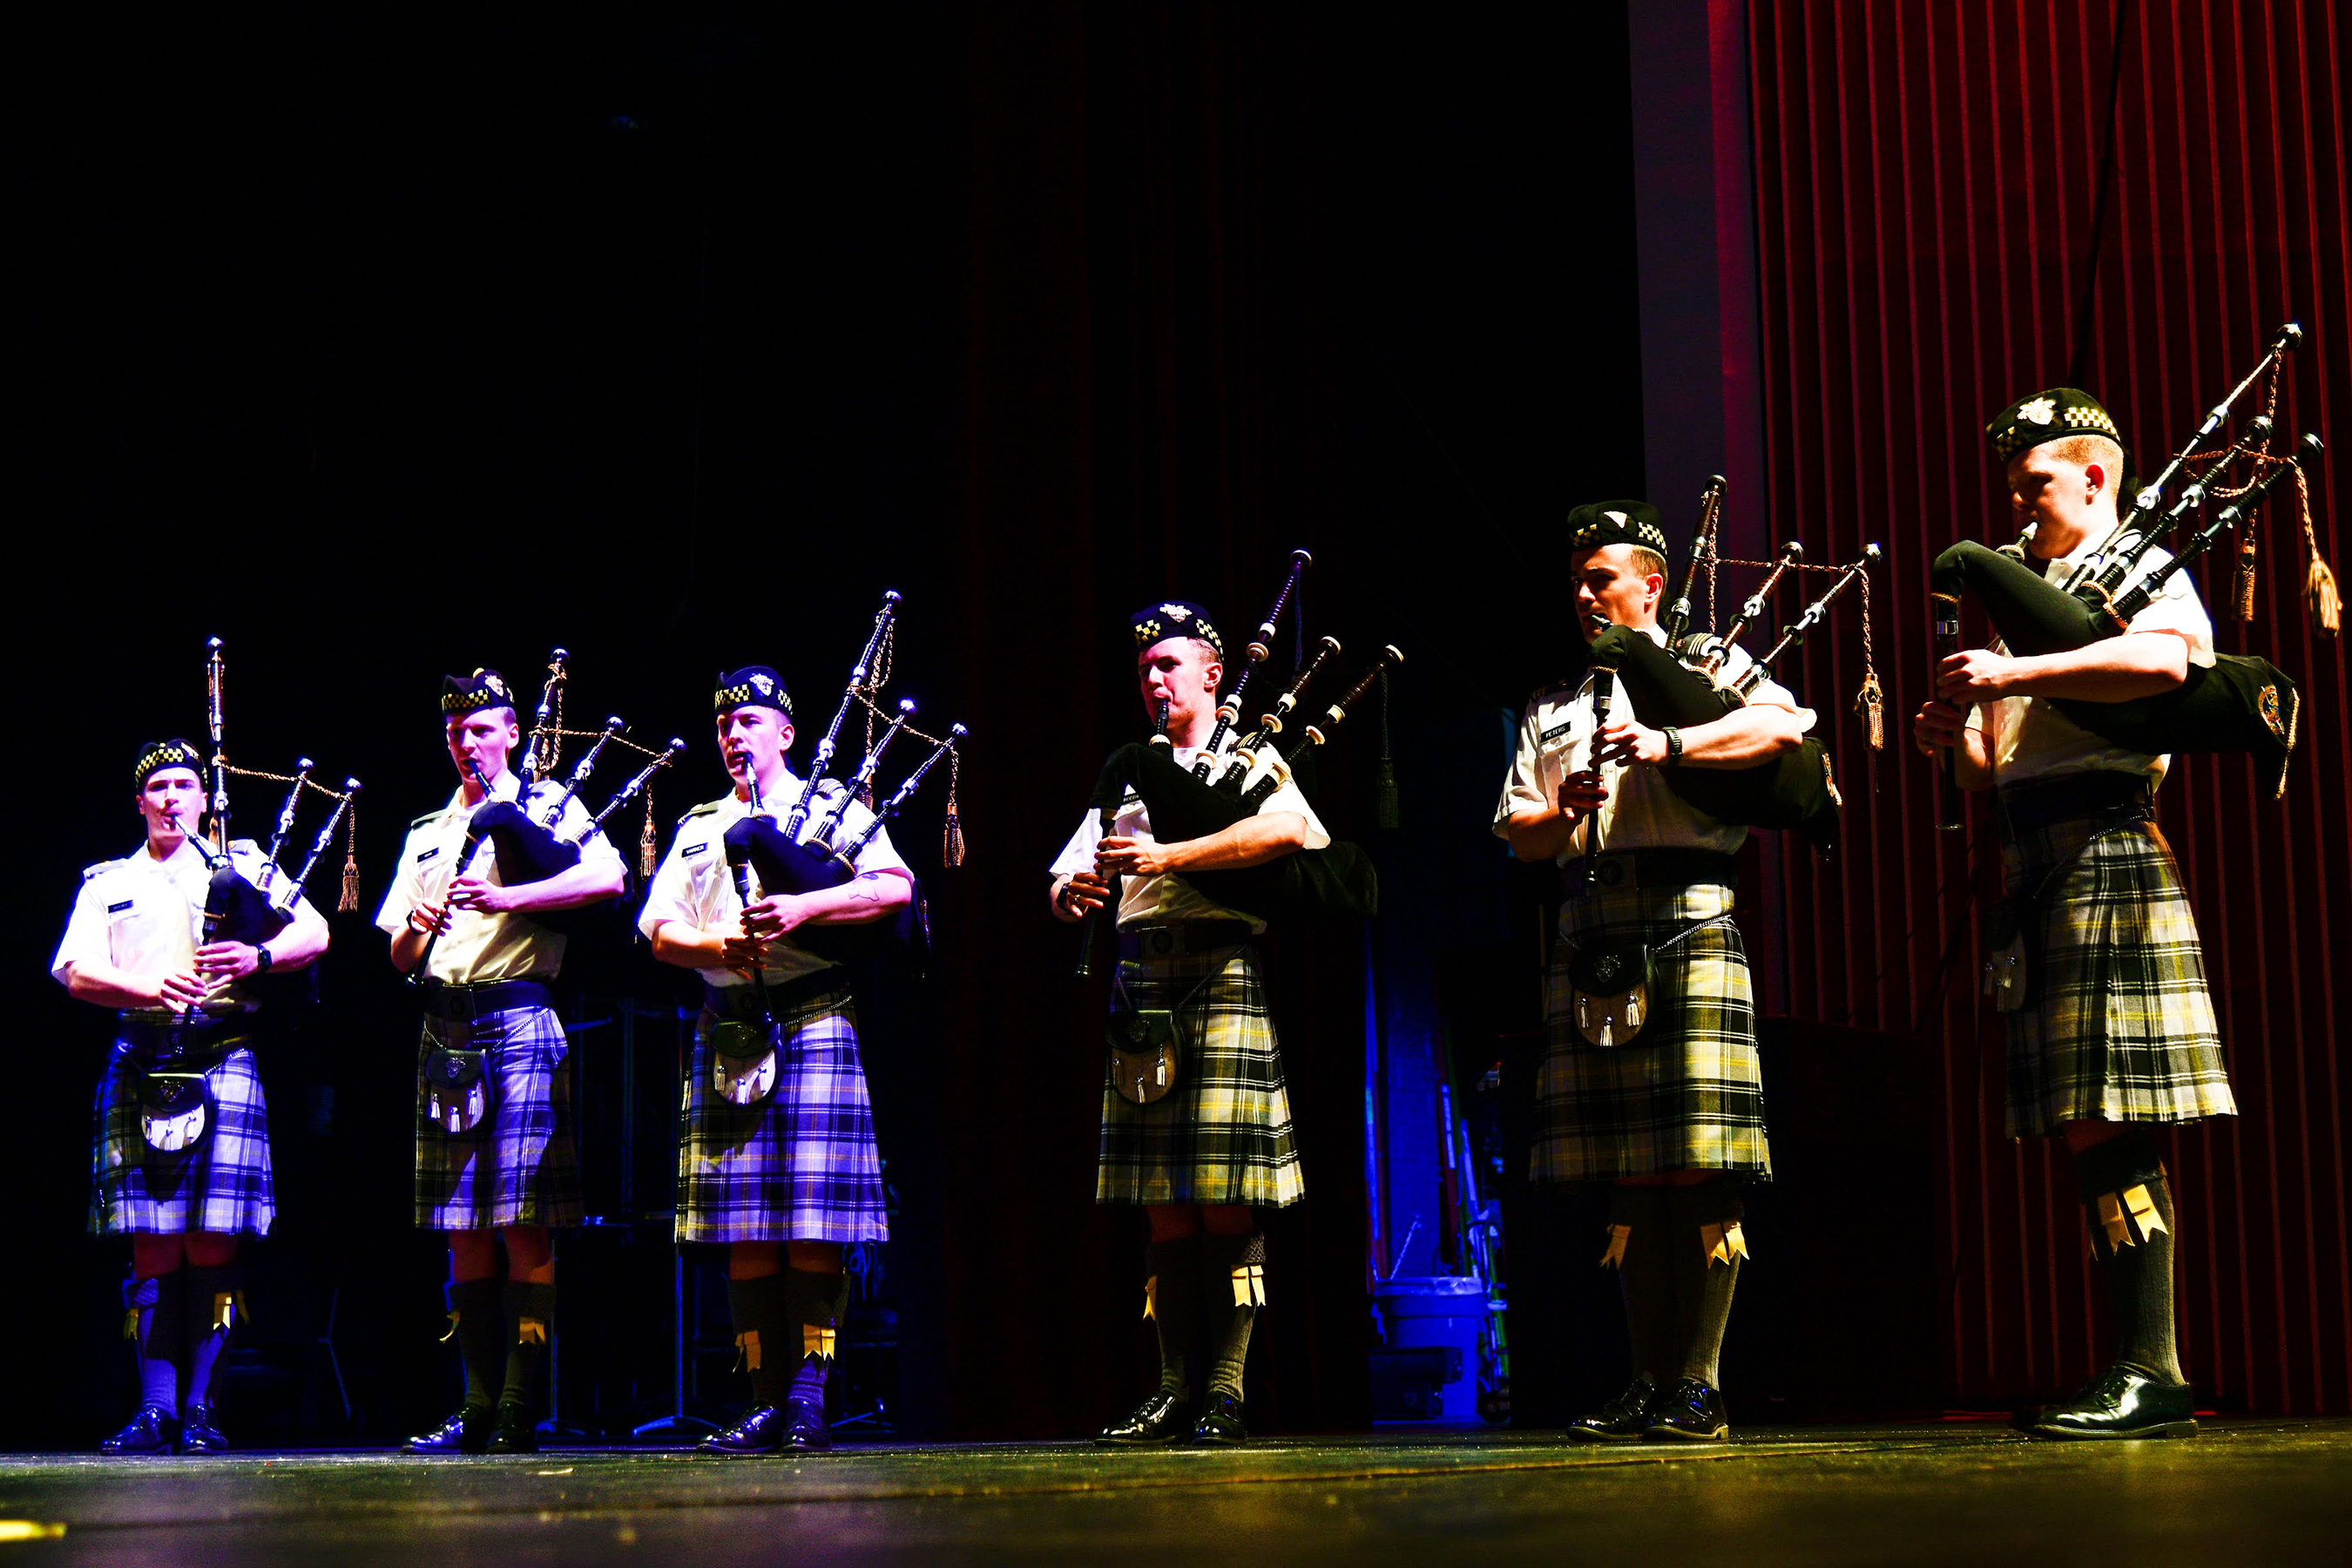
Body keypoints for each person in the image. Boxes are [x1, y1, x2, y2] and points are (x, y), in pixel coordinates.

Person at [1915, 389, 2230, 1439]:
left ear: (2096, 476)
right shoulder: (2035, 591)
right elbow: (1995, 766)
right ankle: (2138, 1367)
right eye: (2012, 483)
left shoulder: (2138, 567)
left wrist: (2017, 666)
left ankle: (2152, 1368)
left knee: (2115, 1113)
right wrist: (1957, 736)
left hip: (2104, 843)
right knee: (2086, 1118)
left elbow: (2166, 662)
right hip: (2036, 854)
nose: (2019, 497)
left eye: (2036, 479)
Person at [1493, 502, 1807, 1442]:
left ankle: (1701, 1385)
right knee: (1628, 1170)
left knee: (1699, 1161)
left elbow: (1782, 734)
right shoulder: (1553, 704)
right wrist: (1567, 807)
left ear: (1652, 583)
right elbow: (1519, 834)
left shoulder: (1710, 668)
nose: (1586, 596)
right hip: (1593, 919)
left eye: (1603, 579)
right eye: (1578, 582)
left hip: (1690, 910)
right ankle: (1645, 1379)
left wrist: (1672, 742)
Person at [1050, 601, 1327, 1446]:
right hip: (1143, 981)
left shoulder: (1247, 761)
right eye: (1144, 671)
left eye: (1169, 666)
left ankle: (1227, 1391)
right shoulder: (1127, 773)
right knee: (1164, 1205)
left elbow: (1292, 832)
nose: (1154, 681)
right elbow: (1064, 880)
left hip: (1219, 971)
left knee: (1227, 1200)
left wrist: (1171, 857)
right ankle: (1174, 1391)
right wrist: (1073, 895)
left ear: (1213, 674)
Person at [640, 665, 909, 1454]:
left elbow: (894, 889)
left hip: (815, 1014)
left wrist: (804, 905)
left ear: (786, 734)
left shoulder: (833, 812)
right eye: (724, 726)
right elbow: (657, 931)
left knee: (814, 1222)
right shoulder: (696, 826)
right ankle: (762, 1400)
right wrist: (712, 944)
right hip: (730, 1025)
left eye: (749, 723)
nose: (733, 737)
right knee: (746, 1225)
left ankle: (807, 1398)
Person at [56, 739, 330, 1454]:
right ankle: (155, 1412)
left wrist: (258, 956)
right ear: (140, 802)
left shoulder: (243, 864)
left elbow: (316, 932)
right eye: (159, 788)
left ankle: (204, 1410)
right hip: (141, 1055)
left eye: (185, 784)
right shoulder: (108, 880)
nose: (172, 797)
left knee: (211, 1243)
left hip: (223, 1051)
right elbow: (75, 970)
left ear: (205, 798)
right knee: (150, 1245)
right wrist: (147, 988)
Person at [381, 669, 625, 1455]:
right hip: (445, 1028)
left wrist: (510, 900)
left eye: (482, 730)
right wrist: (417, 927)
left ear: (512, 733)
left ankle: (523, 1404)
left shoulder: (548, 808)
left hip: (519, 1014)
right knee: (461, 1229)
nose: (467, 744)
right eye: (456, 732)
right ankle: (478, 1404)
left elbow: (609, 878)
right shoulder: (426, 830)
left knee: (525, 1223)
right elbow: (398, 954)